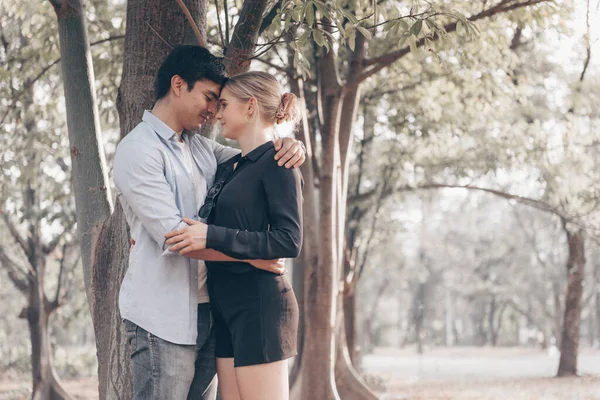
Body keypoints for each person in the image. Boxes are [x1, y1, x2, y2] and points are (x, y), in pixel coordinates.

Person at [112, 46, 306, 400]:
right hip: (164, 318)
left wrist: (291, 144)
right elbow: (178, 239)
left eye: (221, 102)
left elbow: (259, 158)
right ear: (177, 85)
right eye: (209, 97)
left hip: (213, 313)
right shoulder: (138, 150)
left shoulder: (202, 149)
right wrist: (250, 256)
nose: (214, 110)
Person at [165, 71, 303, 400]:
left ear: (251, 106)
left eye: (224, 104)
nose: (217, 113)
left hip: (260, 305)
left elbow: (289, 240)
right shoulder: (230, 167)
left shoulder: (278, 163)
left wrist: (214, 236)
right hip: (225, 307)